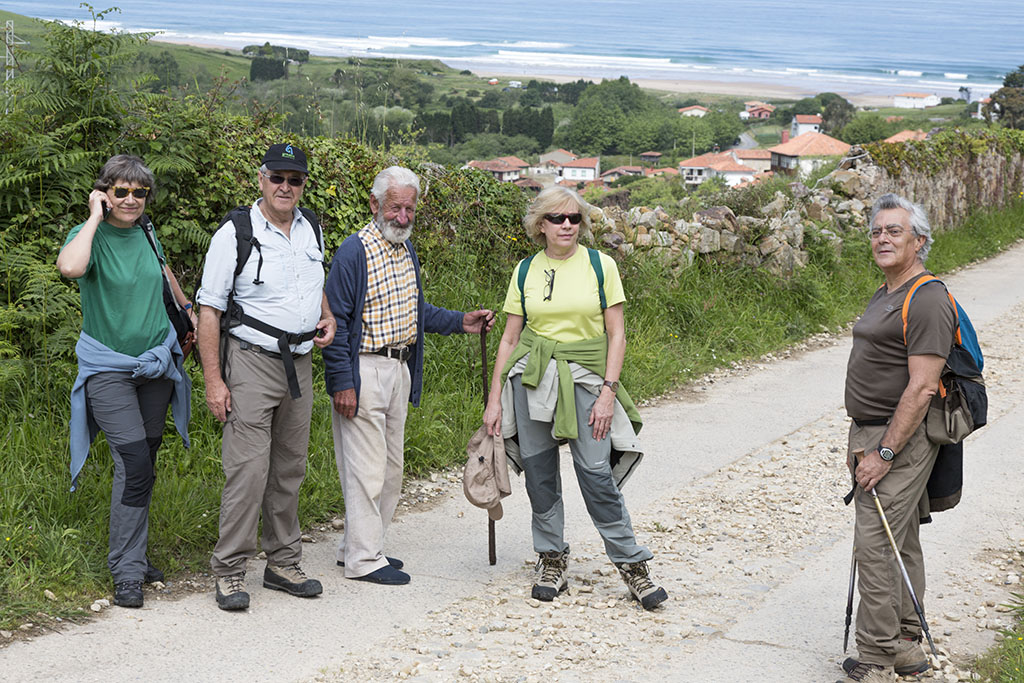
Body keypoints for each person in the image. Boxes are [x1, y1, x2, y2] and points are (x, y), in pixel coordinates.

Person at [482, 186, 667, 611]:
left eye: (574, 218)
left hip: (587, 380)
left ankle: (631, 564)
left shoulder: (601, 266)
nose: (567, 225)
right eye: (557, 219)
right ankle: (551, 557)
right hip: (531, 378)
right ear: (540, 225)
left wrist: (608, 393)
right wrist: (495, 399)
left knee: (596, 471)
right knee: (539, 470)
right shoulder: (525, 270)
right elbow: (511, 337)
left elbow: (617, 334)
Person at [323, 166, 493, 585]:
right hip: (362, 369)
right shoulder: (353, 252)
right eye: (395, 207)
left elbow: (415, 311)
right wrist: (342, 383)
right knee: (366, 470)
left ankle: (360, 547)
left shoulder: (405, 249)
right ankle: (364, 559)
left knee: (391, 468)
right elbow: (334, 323)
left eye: (409, 208)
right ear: (374, 204)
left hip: (398, 368)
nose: (402, 216)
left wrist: (461, 322)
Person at [196, 143, 337, 611]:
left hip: (299, 363)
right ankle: (231, 570)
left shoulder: (311, 226)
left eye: (294, 180)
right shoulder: (234, 233)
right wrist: (214, 381)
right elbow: (210, 310)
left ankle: (282, 562)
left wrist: (327, 316)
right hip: (252, 361)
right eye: (277, 177)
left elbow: (311, 284)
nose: (285, 187)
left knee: (289, 467)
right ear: (261, 179)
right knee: (248, 471)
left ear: (302, 186)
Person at [58, 154, 193, 609]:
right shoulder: (88, 237)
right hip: (108, 368)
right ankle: (127, 569)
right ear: (104, 193)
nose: (132, 199)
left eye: (140, 192)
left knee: (145, 460)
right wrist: (94, 217)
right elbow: (70, 269)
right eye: (121, 191)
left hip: (155, 364)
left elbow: (162, 270)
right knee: (134, 461)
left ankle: (135, 554)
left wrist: (188, 311)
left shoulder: (148, 232)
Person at [839, 194, 954, 683]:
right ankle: (905, 642)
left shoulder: (926, 298)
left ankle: (876, 655)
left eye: (895, 231)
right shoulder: (888, 290)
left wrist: (885, 451)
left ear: (919, 241)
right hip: (872, 431)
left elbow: (925, 385)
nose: (883, 239)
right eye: (877, 231)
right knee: (898, 536)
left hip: (899, 436)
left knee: (876, 542)